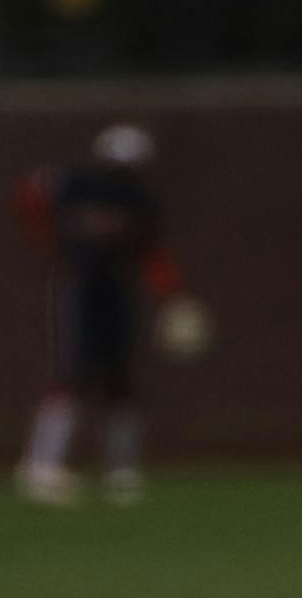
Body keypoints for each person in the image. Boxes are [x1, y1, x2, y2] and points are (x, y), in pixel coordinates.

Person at [13, 123, 194, 508]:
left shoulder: (140, 199)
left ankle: (121, 468)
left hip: (117, 290)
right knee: (69, 375)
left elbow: (151, 253)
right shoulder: (75, 184)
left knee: (119, 380)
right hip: (79, 288)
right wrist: (45, 239)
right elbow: (30, 194)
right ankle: (41, 466)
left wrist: (173, 294)